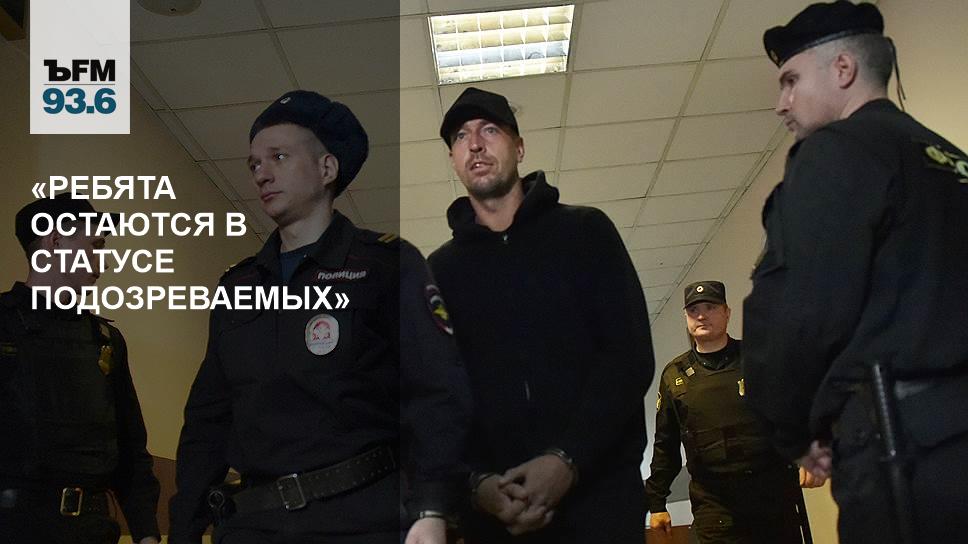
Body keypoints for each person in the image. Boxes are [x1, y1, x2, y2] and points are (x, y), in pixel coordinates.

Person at [168, 90, 471, 544]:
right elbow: (208, 418)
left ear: (327, 168)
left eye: (279, 157)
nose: (262, 173)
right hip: (253, 525)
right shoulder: (238, 286)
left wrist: (432, 507)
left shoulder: (385, 265)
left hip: (362, 521)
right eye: (254, 164)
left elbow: (435, 390)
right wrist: (184, 529)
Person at [743, 2, 968, 542]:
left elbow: (799, 312)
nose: (781, 103)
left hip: (906, 451)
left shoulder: (834, 153)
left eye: (791, 81)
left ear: (843, 69)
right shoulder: (947, 157)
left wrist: (791, 431)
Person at [427, 87, 655, 543]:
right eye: (461, 136)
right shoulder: (439, 272)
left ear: (519, 147)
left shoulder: (586, 233)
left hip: (601, 505)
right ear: (453, 159)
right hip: (498, 515)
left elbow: (628, 358)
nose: (475, 144)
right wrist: (476, 486)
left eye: (490, 130)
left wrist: (567, 459)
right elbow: (439, 397)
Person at [0, 193, 161, 544]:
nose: (104, 260)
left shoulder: (105, 339)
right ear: (55, 241)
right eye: (96, 245)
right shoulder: (5, 324)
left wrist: (147, 534)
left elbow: (130, 448)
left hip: (91, 528)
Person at [645, 281, 819, 544]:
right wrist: (657, 502)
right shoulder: (675, 375)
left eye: (710, 307)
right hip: (715, 508)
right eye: (694, 310)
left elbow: (795, 411)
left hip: (773, 501)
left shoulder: (759, 359)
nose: (701, 315)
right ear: (686, 318)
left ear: (727, 312)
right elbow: (665, 445)